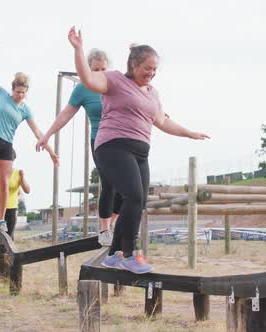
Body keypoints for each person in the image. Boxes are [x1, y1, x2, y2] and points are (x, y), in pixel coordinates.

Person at [66, 27, 209, 274]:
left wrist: (189, 132)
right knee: (132, 195)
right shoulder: (114, 80)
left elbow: (163, 121)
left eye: (155, 70)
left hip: (140, 152)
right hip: (112, 146)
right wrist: (78, 50)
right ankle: (130, 254)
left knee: (138, 202)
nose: (151, 73)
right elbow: (88, 79)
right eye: (147, 68)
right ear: (133, 64)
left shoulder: (153, 94)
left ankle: (113, 255)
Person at [36, 48, 121, 246]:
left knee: (128, 187)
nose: (100, 73)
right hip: (99, 141)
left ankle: (114, 222)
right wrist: (47, 135)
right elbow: (65, 114)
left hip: (120, 138)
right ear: (87, 70)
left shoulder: (116, 83)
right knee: (108, 183)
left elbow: (137, 99)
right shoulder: (83, 89)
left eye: (103, 69)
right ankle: (104, 229)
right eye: (95, 69)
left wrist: (158, 113)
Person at [0, 40, 59, 234]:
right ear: (13, 88)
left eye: (23, 93)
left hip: (6, 144)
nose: (20, 96)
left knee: (5, 182)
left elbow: (38, 132)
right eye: (17, 92)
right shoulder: (2, 95)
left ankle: (1, 220)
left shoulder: (25, 109)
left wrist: (51, 152)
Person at [0, 150, 30, 255]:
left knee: (8, 236)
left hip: (11, 208)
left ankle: (5, 264)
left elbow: (27, 190)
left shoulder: (17, 173)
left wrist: (22, 178)